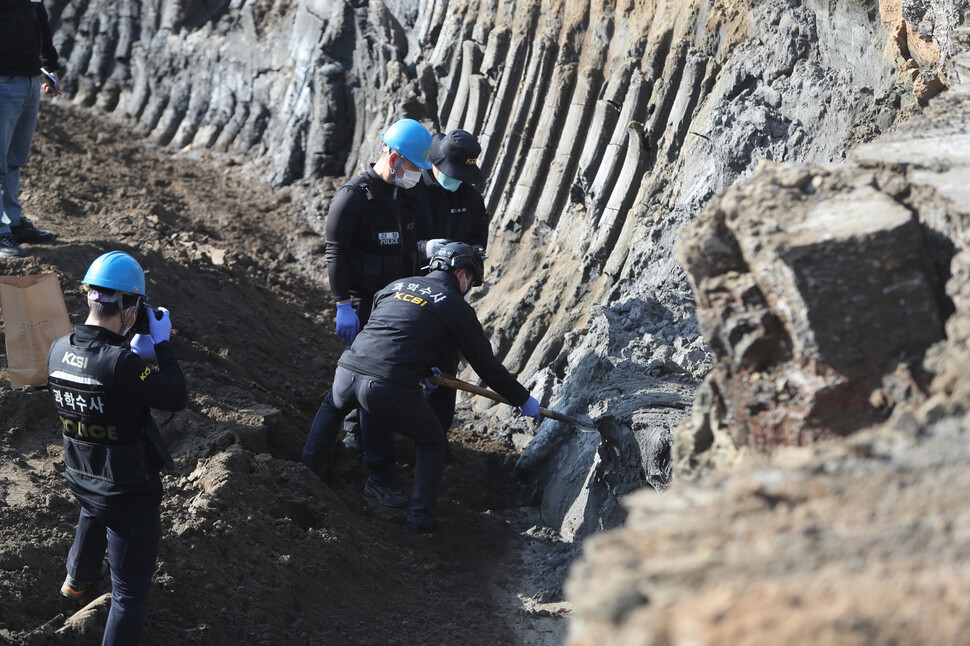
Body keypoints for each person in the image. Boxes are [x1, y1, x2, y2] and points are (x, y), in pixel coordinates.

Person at [301, 242, 541, 534]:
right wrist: (522, 398)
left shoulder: (395, 286)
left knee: (333, 408)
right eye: (471, 282)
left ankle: (303, 474)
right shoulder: (456, 307)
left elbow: (395, 332)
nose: (469, 288)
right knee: (431, 441)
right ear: (461, 274)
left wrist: (425, 368)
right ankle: (421, 522)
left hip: (348, 370)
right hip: (387, 384)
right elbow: (487, 367)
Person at [47, 251, 187, 645]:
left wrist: (130, 356)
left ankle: (75, 583)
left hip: (82, 476)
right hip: (127, 495)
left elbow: (101, 379)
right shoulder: (120, 366)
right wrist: (160, 347)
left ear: (90, 297)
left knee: (93, 508)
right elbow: (175, 395)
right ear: (128, 308)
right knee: (129, 594)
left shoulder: (57, 349)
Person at [324, 118, 432, 454]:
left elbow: (407, 246)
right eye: (413, 166)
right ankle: (352, 442)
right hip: (364, 303)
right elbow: (335, 253)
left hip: (397, 303)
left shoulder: (407, 197)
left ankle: (368, 437)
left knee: (385, 375)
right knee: (361, 375)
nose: (416, 174)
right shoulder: (353, 198)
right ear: (394, 157)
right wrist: (342, 305)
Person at [417, 129, 491, 437]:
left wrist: (469, 255)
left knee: (444, 364)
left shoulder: (470, 197)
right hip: (407, 287)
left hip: (449, 295)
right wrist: (423, 248)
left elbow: (478, 239)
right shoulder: (412, 190)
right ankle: (367, 436)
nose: (457, 179)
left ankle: (435, 436)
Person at [0, 0, 61, 258]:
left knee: (15, 158)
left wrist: (50, 67)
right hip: (3, 80)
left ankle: (13, 222)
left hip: (29, 80)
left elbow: (41, 23)